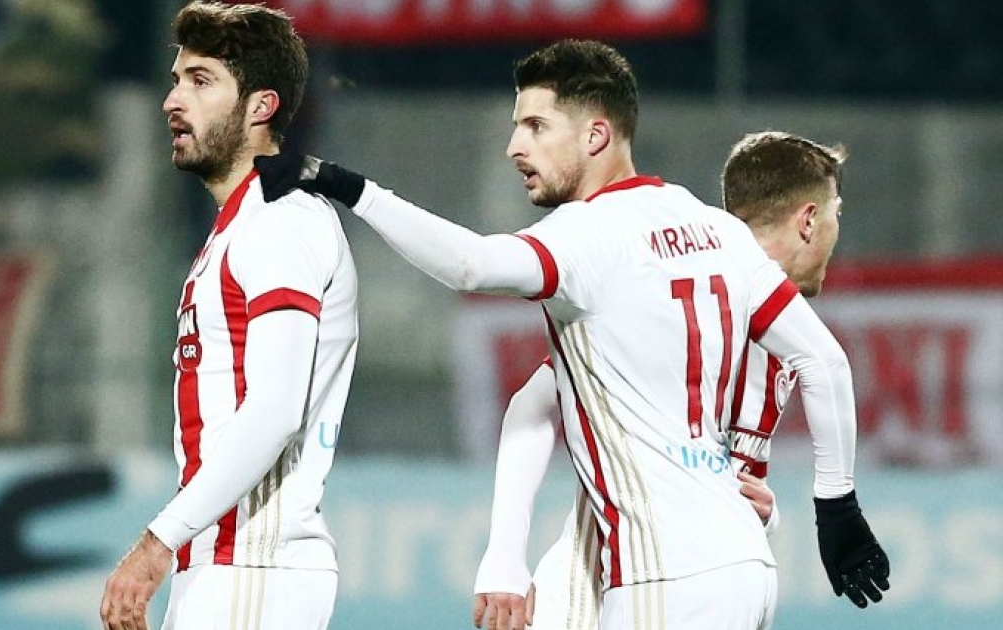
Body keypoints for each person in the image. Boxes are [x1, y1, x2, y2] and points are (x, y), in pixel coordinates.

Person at [256, 40, 888, 630]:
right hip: (744, 563)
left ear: (595, 135)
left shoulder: (587, 235)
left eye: (536, 126)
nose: (514, 147)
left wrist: (349, 187)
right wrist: (837, 509)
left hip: (662, 571)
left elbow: (471, 265)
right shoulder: (715, 228)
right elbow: (825, 361)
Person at [472, 131, 857, 630]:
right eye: (836, 213)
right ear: (809, 219)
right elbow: (535, 402)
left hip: (691, 577)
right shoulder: (687, 296)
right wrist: (504, 553)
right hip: (605, 577)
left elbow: (729, 470)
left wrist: (762, 511)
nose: (836, 230)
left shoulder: (785, 332)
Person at [99, 3, 358, 630]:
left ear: (261, 106)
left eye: (201, 81)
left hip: (253, 562)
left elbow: (274, 410)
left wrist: (157, 543)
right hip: (229, 565)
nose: (172, 101)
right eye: (176, 80)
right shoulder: (241, 227)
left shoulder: (280, 223)